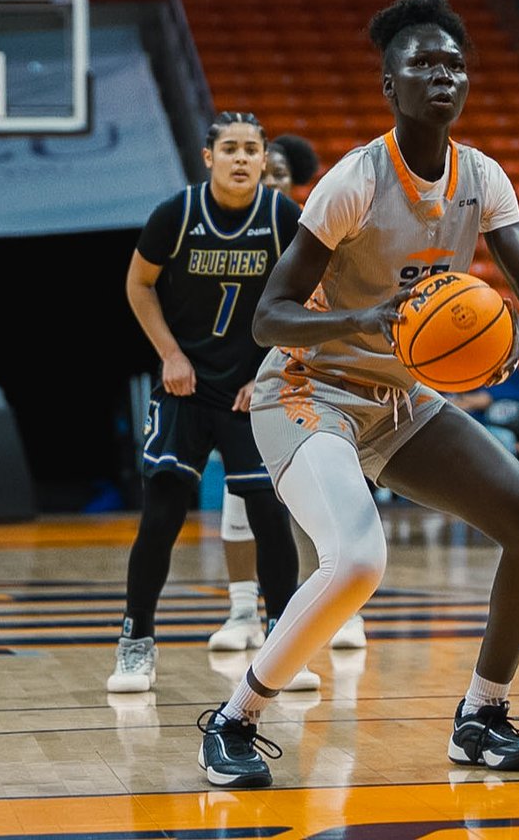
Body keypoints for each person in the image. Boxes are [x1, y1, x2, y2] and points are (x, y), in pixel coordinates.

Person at [195, 0, 519, 788]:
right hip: (308, 387)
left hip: (401, 402)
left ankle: (481, 715)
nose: (443, 74)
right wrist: (367, 318)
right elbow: (269, 319)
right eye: (422, 63)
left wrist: (514, 339)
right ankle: (234, 721)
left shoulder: (484, 177)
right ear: (388, 85)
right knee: (359, 558)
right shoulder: (353, 181)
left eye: (454, 64)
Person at [107, 112, 302, 694]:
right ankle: (136, 640)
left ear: (265, 159)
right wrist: (169, 354)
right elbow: (137, 284)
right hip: (185, 387)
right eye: (231, 148)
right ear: (208, 156)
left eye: (252, 149)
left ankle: (282, 645)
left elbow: (313, 296)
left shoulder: (283, 217)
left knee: (270, 514)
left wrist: (272, 370)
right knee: (162, 511)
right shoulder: (177, 214)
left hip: (251, 390)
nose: (242, 159)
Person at [208, 133, 329, 665]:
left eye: (280, 172)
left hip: (307, 377)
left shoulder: (318, 232)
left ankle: (341, 610)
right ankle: (241, 612)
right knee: (242, 497)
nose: (271, 178)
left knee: (318, 502)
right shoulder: (233, 230)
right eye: (266, 169)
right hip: (242, 381)